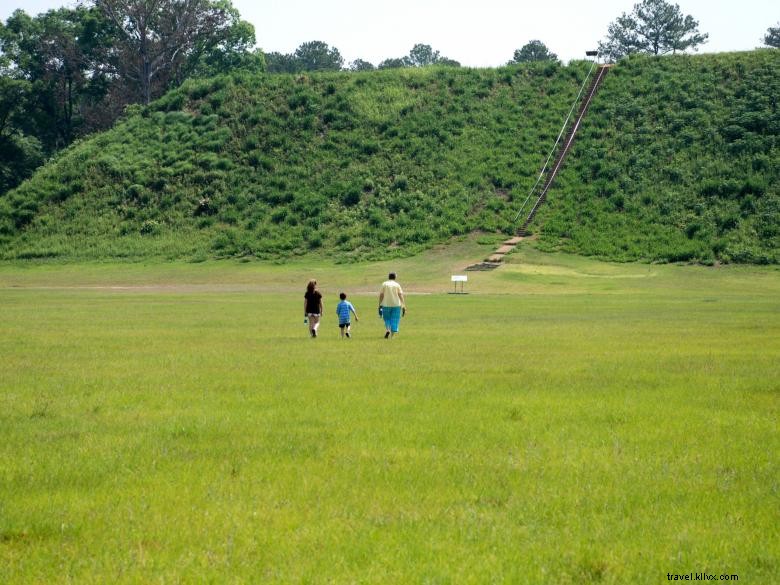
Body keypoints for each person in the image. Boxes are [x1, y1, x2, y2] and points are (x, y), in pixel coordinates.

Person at [378, 272, 406, 339]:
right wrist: (403, 304)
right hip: (396, 304)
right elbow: (400, 294)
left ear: (389, 277)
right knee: (395, 319)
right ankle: (392, 336)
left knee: (387, 319)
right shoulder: (397, 285)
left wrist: (380, 304)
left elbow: (381, 295)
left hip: (386, 304)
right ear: (395, 277)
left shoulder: (384, 284)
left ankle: (388, 330)